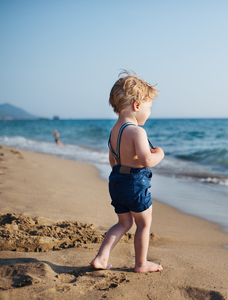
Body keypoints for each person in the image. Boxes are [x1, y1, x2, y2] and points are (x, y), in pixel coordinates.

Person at [91, 70, 164, 273]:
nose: (149, 112)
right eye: (149, 107)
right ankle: (141, 264)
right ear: (137, 106)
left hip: (116, 181)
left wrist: (122, 173)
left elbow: (112, 157)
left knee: (123, 223)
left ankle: (101, 258)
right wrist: (160, 154)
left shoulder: (115, 130)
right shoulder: (137, 131)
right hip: (135, 183)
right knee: (143, 224)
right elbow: (146, 159)